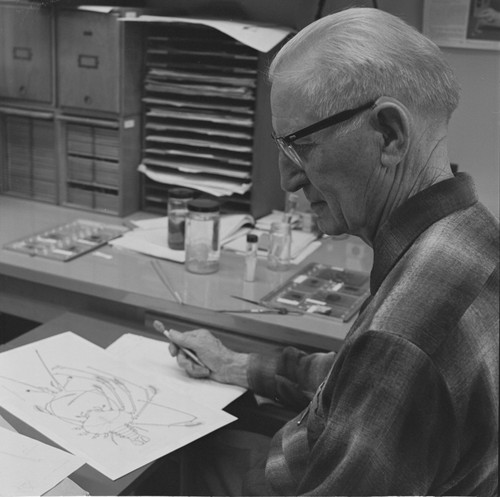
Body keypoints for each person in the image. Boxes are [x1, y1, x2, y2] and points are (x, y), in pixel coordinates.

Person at [168, 7, 499, 496]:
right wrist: (236, 364)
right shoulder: (470, 234)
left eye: (301, 146)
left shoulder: (406, 335)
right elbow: (360, 383)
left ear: (389, 133)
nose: (288, 178)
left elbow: (386, 369)